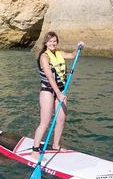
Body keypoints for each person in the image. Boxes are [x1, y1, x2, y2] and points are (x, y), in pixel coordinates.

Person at [30, 31, 81, 160]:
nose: (53, 43)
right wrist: (57, 93)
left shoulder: (60, 53)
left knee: (61, 120)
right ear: (46, 43)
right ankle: (35, 150)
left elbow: (73, 55)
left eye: (54, 41)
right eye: (50, 41)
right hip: (48, 91)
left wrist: (78, 48)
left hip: (61, 92)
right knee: (45, 122)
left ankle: (56, 145)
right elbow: (49, 77)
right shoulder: (44, 57)